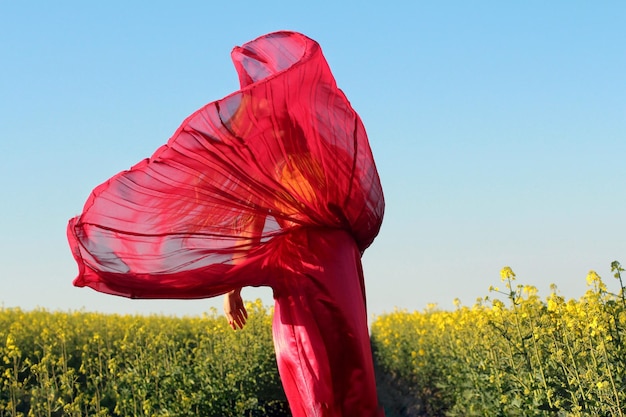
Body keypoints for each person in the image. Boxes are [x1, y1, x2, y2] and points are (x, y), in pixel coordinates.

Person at [68, 31, 385, 416]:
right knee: (351, 369)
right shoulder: (323, 154)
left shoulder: (274, 160)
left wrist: (231, 286)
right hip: (341, 261)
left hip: (307, 264)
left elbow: (253, 217)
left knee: (313, 373)